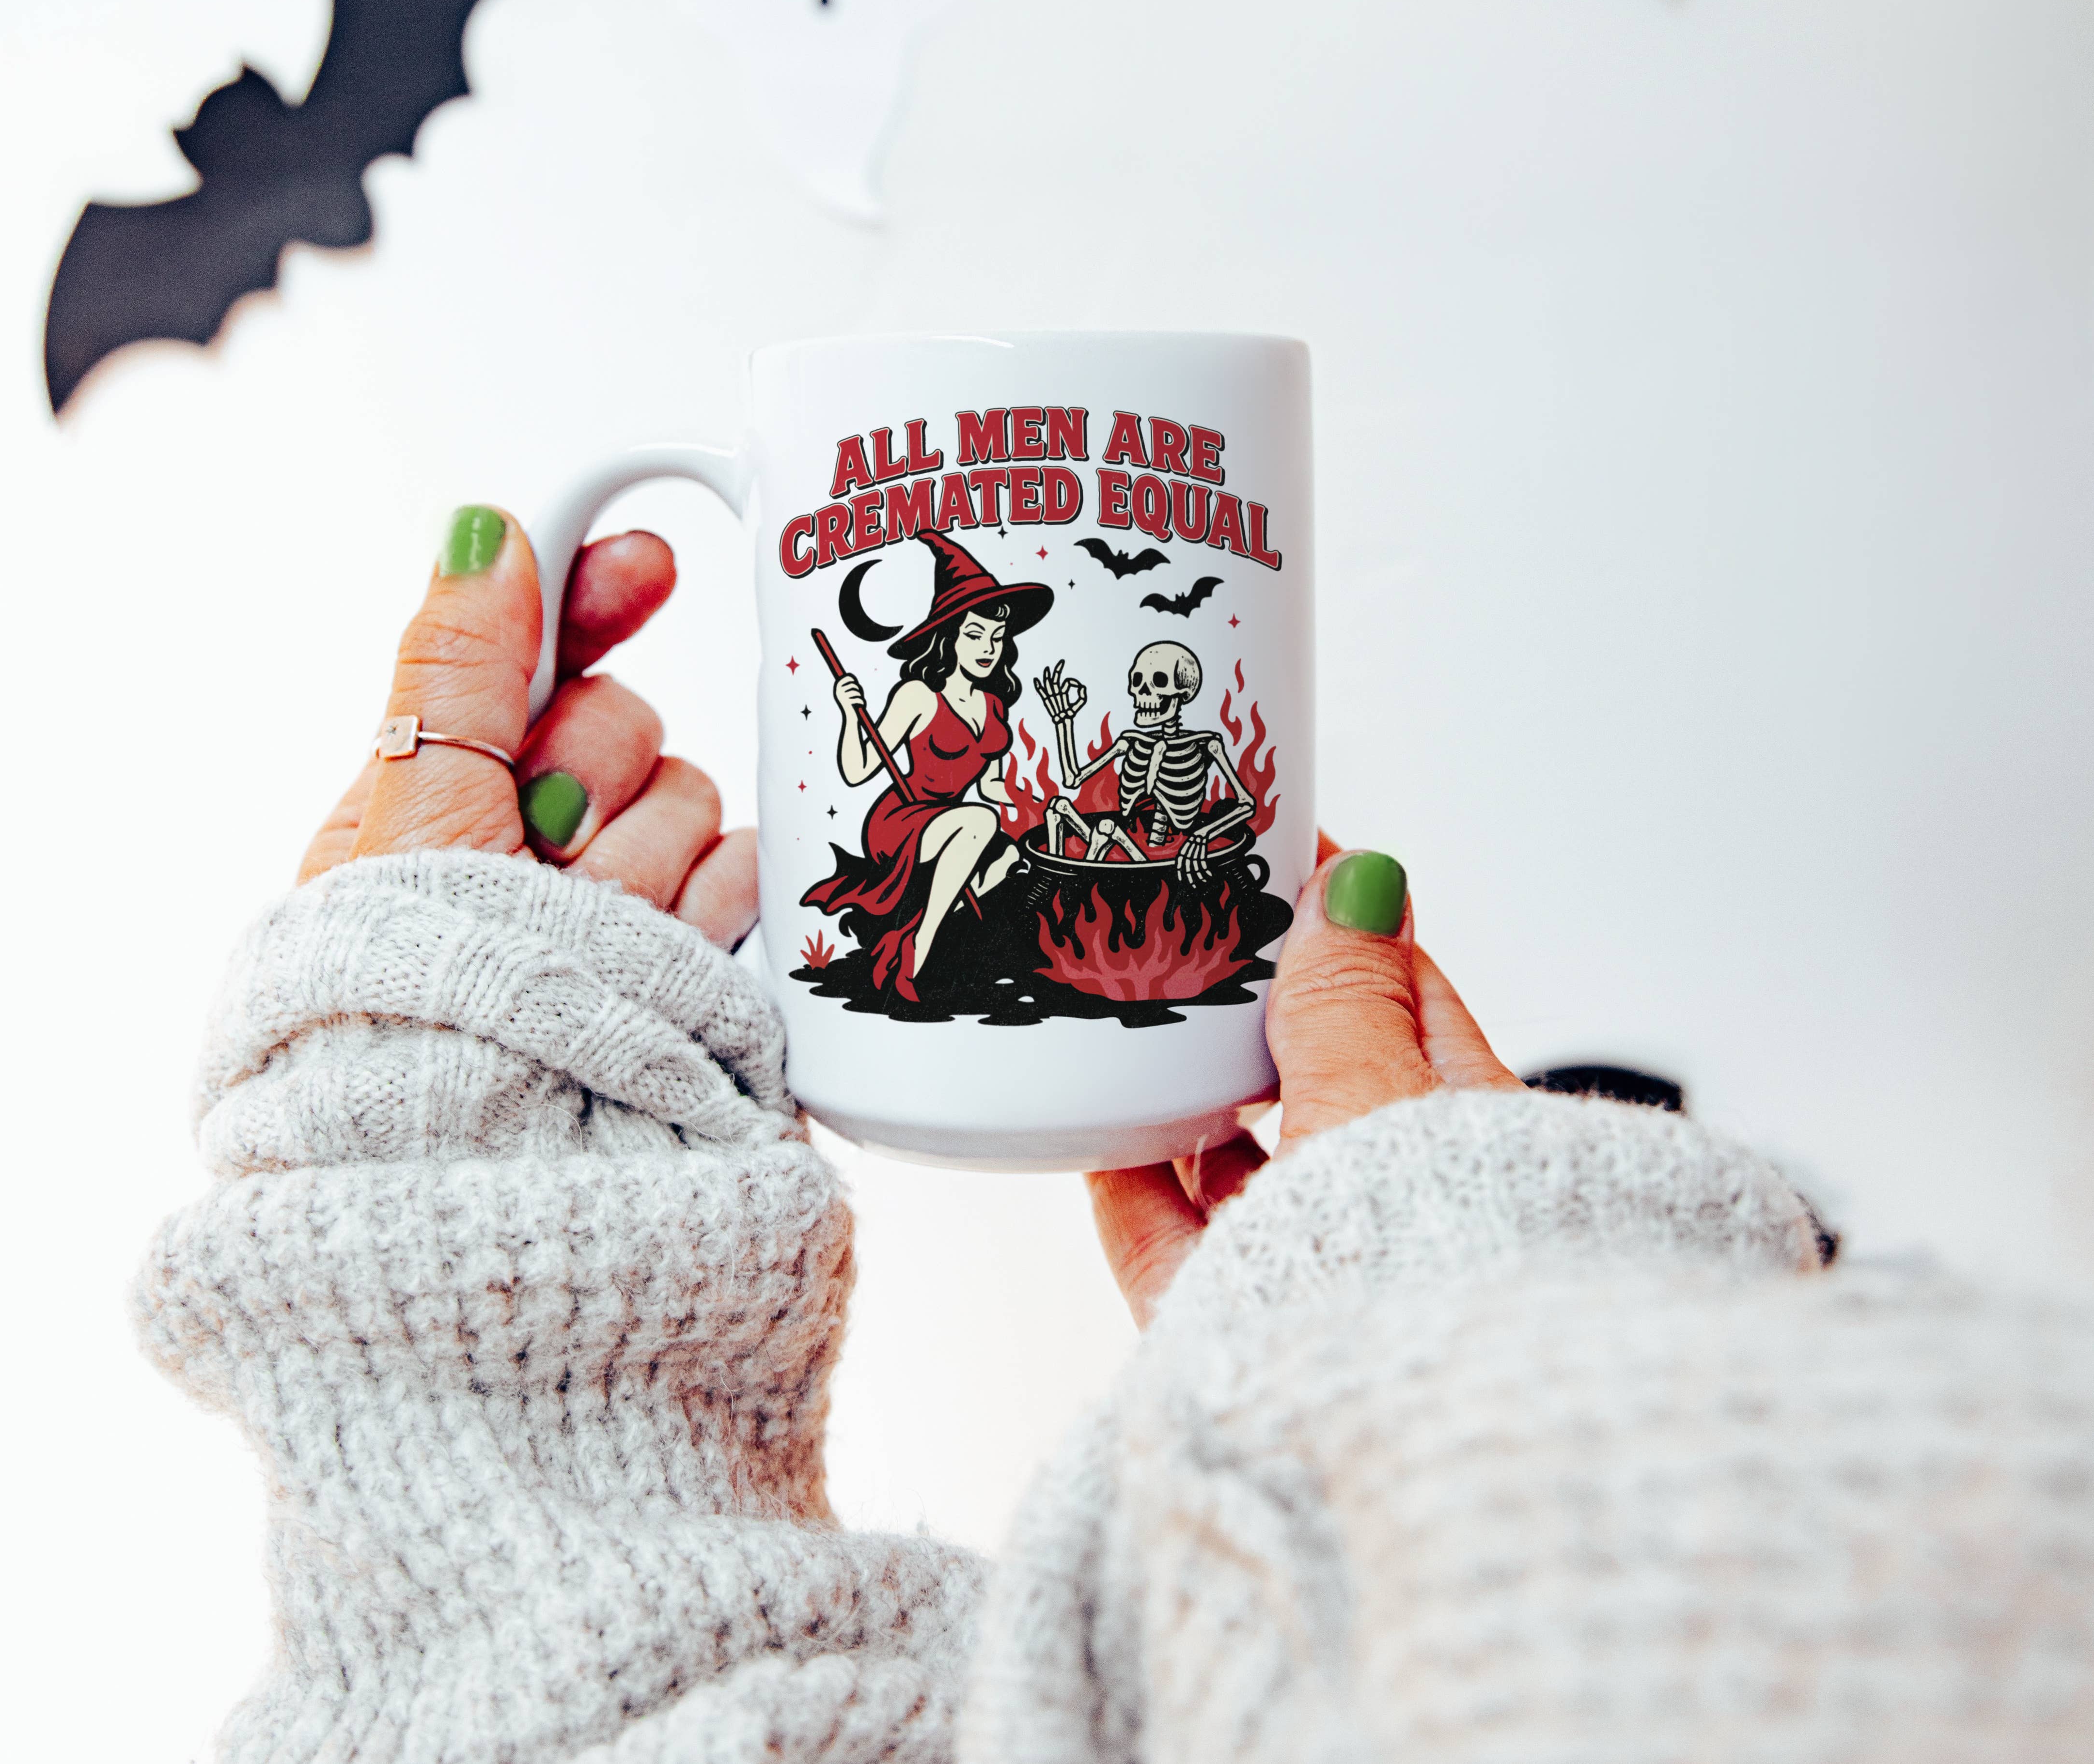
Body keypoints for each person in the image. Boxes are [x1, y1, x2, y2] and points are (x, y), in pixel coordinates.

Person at [136, 507, 2093, 1763]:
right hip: (936, 863)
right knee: (966, 865)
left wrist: (468, 1307)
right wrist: (1469, 1375)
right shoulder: (944, 713)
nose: (1005, 664)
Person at [803, 531, 1046, 1000]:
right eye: (974, 635)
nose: (988, 648)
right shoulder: (918, 696)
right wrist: (849, 714)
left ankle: (934, 923)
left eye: (997, 638)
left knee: (1013, 853)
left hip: (956, 820)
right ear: (949, 637)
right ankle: (924, 939)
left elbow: (991, 786)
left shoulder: (995, 706)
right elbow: (858, 770)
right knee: (980, 822)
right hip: (901, 818)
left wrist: (1036, 806)